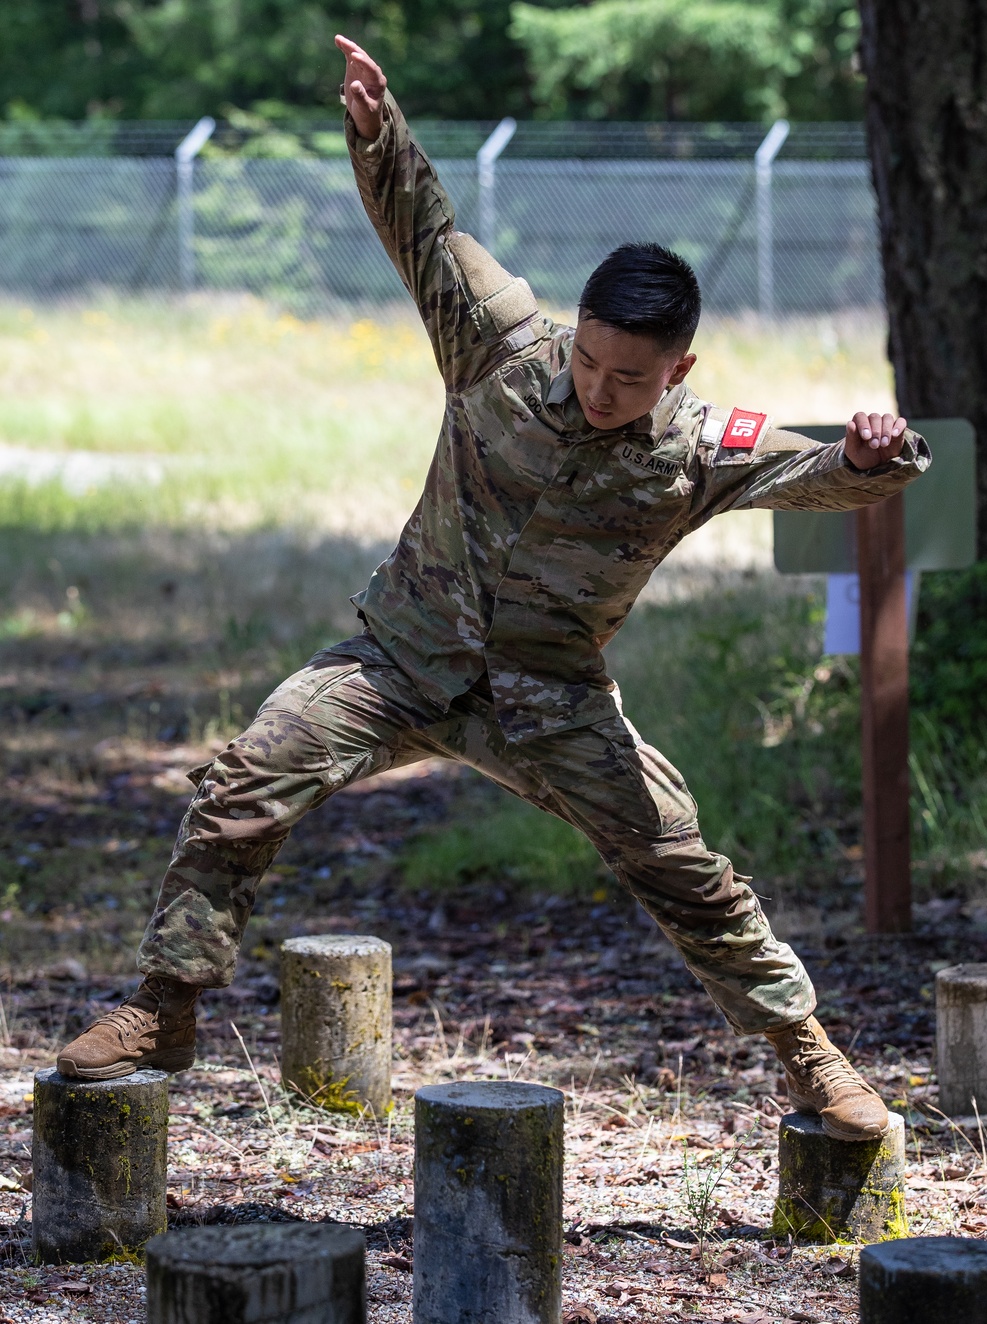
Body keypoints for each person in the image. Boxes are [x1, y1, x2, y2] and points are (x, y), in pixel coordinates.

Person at [57, 36, 929, 1143]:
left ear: (681, 370)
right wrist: (379, 133)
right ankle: (163, 1005)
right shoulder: (500, 346)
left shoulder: (699, 447)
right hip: (397, 658)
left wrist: (869, 459)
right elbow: (422, 227)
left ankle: (809, 1059)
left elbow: (815, 476)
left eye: (633, 376)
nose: (603, 389)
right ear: (574, 330)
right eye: (592, 361)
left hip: (548, 694)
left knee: (681, 866)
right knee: (245, 779)